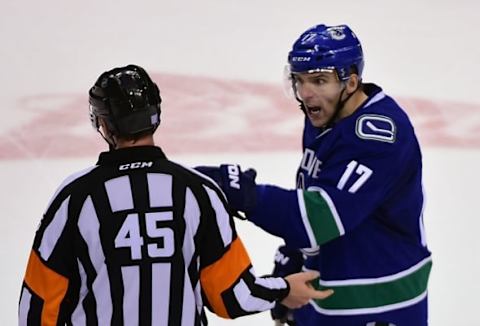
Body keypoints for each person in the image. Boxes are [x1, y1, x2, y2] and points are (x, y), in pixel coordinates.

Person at [17, 64, 333, 326]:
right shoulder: (198, 192)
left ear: (103, 124)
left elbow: (40, 302)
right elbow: (230, 296)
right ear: (156, 115)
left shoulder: (76, 198)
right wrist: (282, 288)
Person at [195, 24, 432, 326]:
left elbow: (320, 216)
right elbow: (312, 193)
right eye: (300, 80)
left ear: (351, 82)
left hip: (378, 303)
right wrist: (291, 265)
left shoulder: (378, 136)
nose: (306, 94)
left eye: (319, 80)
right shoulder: (325, 118)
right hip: (327, 294)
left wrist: (244, 192)